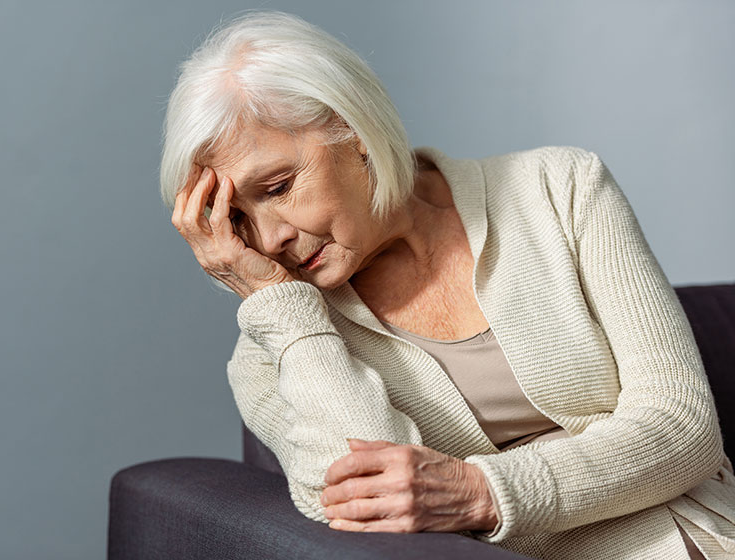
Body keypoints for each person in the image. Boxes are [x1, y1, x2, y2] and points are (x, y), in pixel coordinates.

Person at [160, 10, 735, 560]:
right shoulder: (277, 357)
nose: (270, 238)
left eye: (279, 186)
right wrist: (285, 316)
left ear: (354, 130)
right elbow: (370, 508)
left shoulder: (561, 190)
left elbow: (682, 428)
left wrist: (478, 489)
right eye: (236, 219)